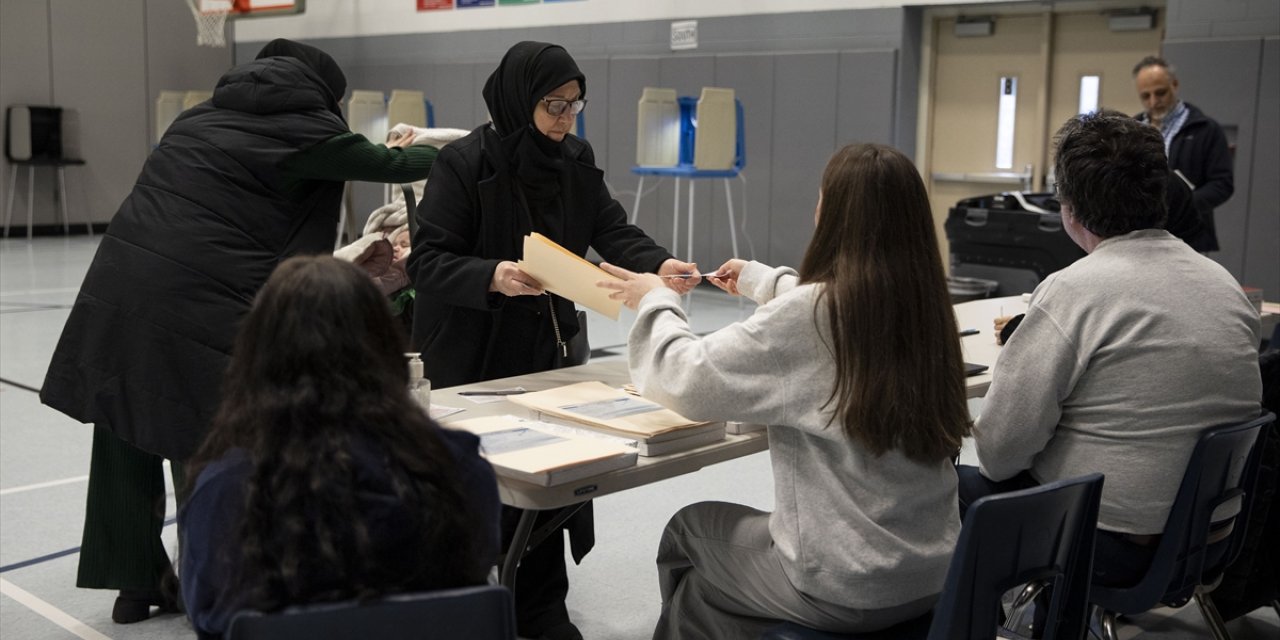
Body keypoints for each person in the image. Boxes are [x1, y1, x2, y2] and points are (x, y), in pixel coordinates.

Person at [39, 39, 440, 624]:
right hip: (201, 298)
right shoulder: (309, 130)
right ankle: (213, 582)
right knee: (202, 434)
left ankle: (133, 585)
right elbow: (394, 167)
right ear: (325, 94)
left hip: (121, 282)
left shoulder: (197, 116)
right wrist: (472, 150)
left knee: (123, 421)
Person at [597, 143, 973, 638]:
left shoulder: (812, 316)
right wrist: (762, 280)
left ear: (833, 215)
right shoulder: (924, 305)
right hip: (934, 570)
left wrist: (657, 301)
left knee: (688, 532)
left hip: (846, 582)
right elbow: (843, 311)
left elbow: (681, 376)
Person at [407, 41, 697, 640]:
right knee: (472, 487)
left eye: (574, 106)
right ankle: (463, 605)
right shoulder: (463, 164)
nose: (566, 120)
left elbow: (610, 227)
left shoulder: (574, 159)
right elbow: (428, 262)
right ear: (520, 101)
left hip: (548, 346)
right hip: (471, 350)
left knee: (550, 476)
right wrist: (492, 275)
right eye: (553, 106)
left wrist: (660, 264)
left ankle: (540, 607)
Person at [962, 110, 1262, 589]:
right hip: (1210, 536)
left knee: (953, 484)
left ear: (1069, 207)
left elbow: (1000, 454)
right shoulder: (1223, 285)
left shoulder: (1073, 291)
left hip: (1109, 544)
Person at [177, 256, 500, 639]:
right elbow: (474, 581)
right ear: (384, 347)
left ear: (257, 357)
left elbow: (211, 621)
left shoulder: (227, 491)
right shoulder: (457, 468)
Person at [1133, 55, 1233, 251]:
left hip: (1190, 236)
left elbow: (1222, 184)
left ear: (1175, 85)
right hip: (1141, 235)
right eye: (1146, 96)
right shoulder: (1133, 129)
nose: (1154, 102)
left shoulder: (1205, 129)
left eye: (1160, 93)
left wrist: (1183, 205)